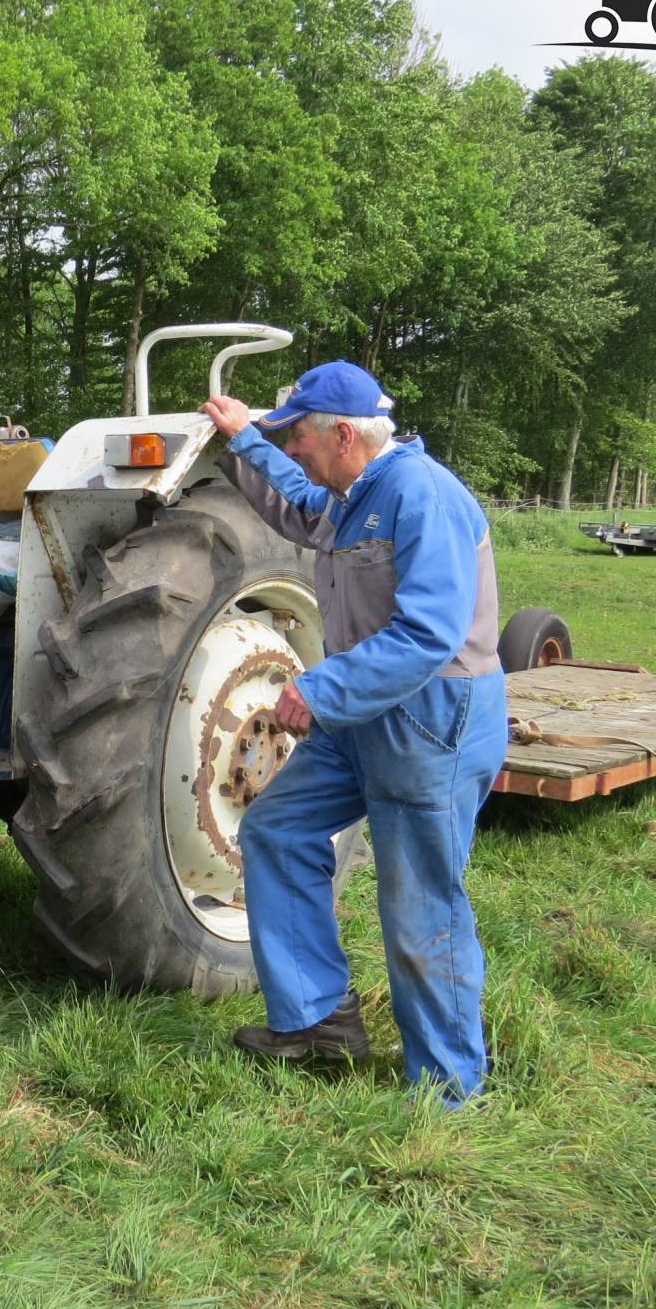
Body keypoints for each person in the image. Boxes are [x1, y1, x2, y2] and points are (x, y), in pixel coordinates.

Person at [198, 360, 507, 1107]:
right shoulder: (352, 493)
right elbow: (300, 500)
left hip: (430, 719)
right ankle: (318, 1020)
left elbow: (429, 633)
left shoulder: (422, 495)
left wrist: (320, 687)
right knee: (277, 831)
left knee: (419, 901)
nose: (293, 449)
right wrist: (245, 440)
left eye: (299, 437)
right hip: (365, 713)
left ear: (342, 435)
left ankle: (449, 1086)